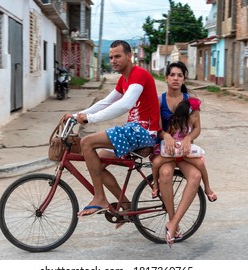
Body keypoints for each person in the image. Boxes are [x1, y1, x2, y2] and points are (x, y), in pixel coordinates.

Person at [63, 40, 161, 217]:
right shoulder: (124, 79)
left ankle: (100, 198)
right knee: (98, 163)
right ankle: (127, 206)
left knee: (86, 142)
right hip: (134, 130)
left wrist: (90, 119)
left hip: (144, 132)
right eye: (111, 57)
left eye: (118, 56)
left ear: (129, 56)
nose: (113, 60)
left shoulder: (139, 75)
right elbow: (106, 102)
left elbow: (125, 104)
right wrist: (77, 115)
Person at [154, 61, 209, 248]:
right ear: (166, 78)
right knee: (166, 174)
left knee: (196, 175)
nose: (176, 78)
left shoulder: (191, 101)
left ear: (183, 79)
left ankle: (173, 223)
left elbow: (197, 128)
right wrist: (165, 135)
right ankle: (172, 220)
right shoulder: (159, 100)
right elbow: (156, 128)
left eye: (180, 75)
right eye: (172, 75)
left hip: (184, 151)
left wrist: (188, 138)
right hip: (167, 150)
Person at [151, 97, 217, 203]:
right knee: (156, 162)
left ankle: (207, 187)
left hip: (185, 155)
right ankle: (155, 184)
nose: (196, 119)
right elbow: (168, 138)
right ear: (186, 116)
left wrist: (187, 141)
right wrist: (171, 142)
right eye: (194, 116)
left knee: (200, 164)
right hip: (172, 154)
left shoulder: (190, 127)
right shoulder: (174, 125)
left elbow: (193, 135)